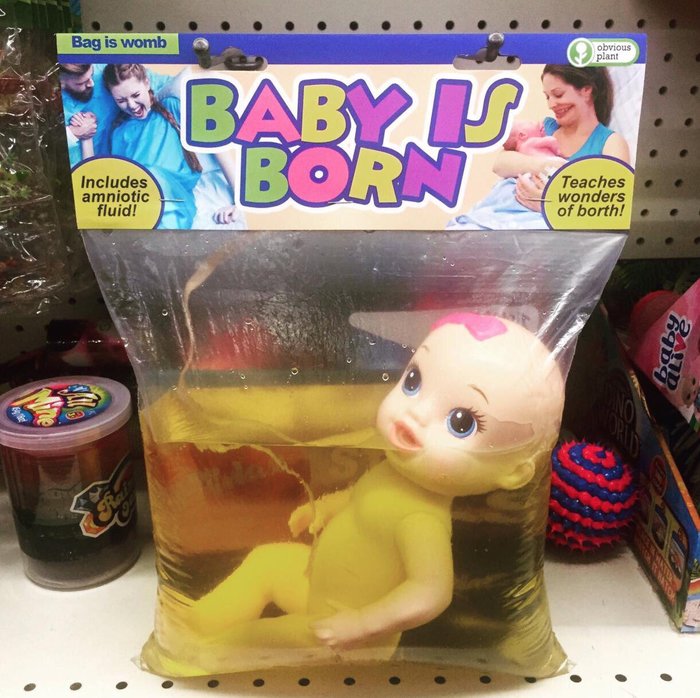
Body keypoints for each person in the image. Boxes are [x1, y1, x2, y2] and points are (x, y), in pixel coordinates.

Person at [141, 313, 565, 675]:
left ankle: (200, 652)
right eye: (414, 381)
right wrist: (325, 508)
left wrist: (361, 624)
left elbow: (431, 594)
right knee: (268, 560)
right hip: (317, 587)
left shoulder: (422, 520)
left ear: (513, 472)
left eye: (460, 422)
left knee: (249, 641)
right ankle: (196, 623)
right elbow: (363, 500)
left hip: (342, 628)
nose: (414, 414)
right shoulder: (393, 473)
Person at [447, 65, 630, 230]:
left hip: (551, 228)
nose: (551, 105)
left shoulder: (610, 142)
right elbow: (500, 164)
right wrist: (544, 166)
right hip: (506, 212)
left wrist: (551, 205)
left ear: (586, 90)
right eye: (547, 97)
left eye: (558, 94)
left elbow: (614, 209)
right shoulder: (545, 127)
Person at [59, 63, 172, 168]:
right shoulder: (119, 134)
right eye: (80, 83)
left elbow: (152, 81)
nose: (92, 83)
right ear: (61, 81)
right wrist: (73, 133)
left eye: (91, 74)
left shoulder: (107, 73)